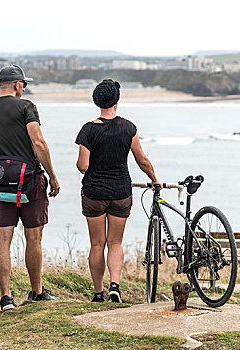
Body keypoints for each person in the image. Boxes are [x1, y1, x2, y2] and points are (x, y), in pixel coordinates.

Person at [0, 65, 60, 311]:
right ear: (18, 85)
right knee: (33, 237)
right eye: (24, 85)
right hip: (29, 183)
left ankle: (6, 297)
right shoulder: (26, 107)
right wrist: (52, 175)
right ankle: (37, 292)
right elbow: (38, 141)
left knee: (4, 237)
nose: (24, 89)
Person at [75, 79, 162, 303]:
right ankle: (115, 285)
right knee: (115, 243)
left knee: (97, 244)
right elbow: (141, 160)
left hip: (94, 193)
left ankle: (97, 293)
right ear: (117, 100)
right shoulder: (128, 127)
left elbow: (83, 166)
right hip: (121, 192)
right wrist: (154, 179)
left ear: (97, 101)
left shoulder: (88, 129)